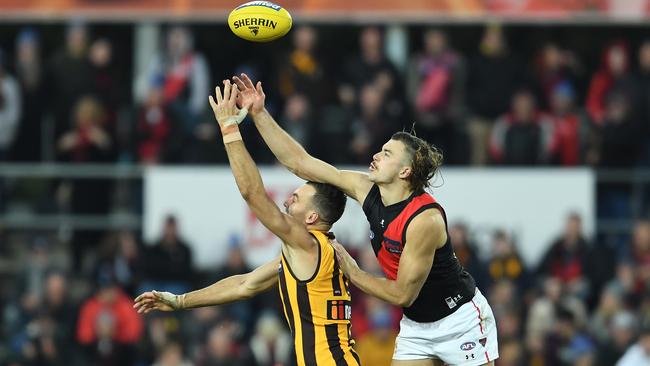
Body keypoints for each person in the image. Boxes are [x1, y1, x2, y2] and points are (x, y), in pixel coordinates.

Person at [232, 73, 499, 366]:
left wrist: (353, 271)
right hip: (417, 326)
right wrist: (259, 114)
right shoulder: (365, 189)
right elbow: (300, 163)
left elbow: (402, 295)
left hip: (460, 321)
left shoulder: (425, 220)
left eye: (386, 154)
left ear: (405, 172)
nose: (375, 155)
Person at [134, 80, 360, 366]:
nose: (287, 202)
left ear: (312, 218)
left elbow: (253, 195)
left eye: (296, 198)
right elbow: (244, 284)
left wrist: (229, 129)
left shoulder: (307, 243)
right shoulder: (315, 253)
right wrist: (180, 301)